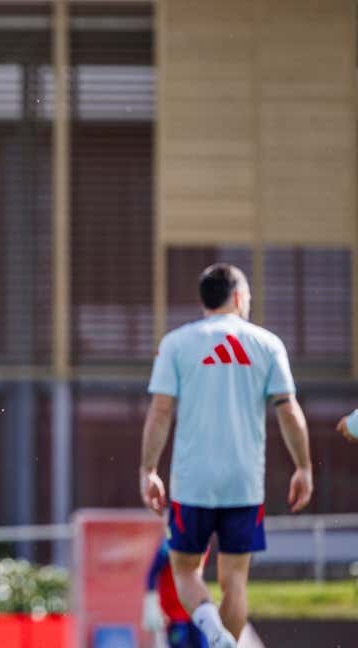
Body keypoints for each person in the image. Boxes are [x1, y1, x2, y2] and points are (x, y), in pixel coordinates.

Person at [139, 263, 313, 648]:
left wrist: (148, 469)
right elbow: (288, 409)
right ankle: (226, 642)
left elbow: (161, 411)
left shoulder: (176, 343)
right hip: (244, 483)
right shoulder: (267, 343)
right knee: (235, 579)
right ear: (237, 297)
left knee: (185, 571)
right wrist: (303, 466)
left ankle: (213, 631)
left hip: (193, 483)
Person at [143, 541, 208, 648]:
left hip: (195, 610)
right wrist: (151, 604)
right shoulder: (170, 543)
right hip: (174, 613)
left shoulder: (203, 542)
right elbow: (151, 574)